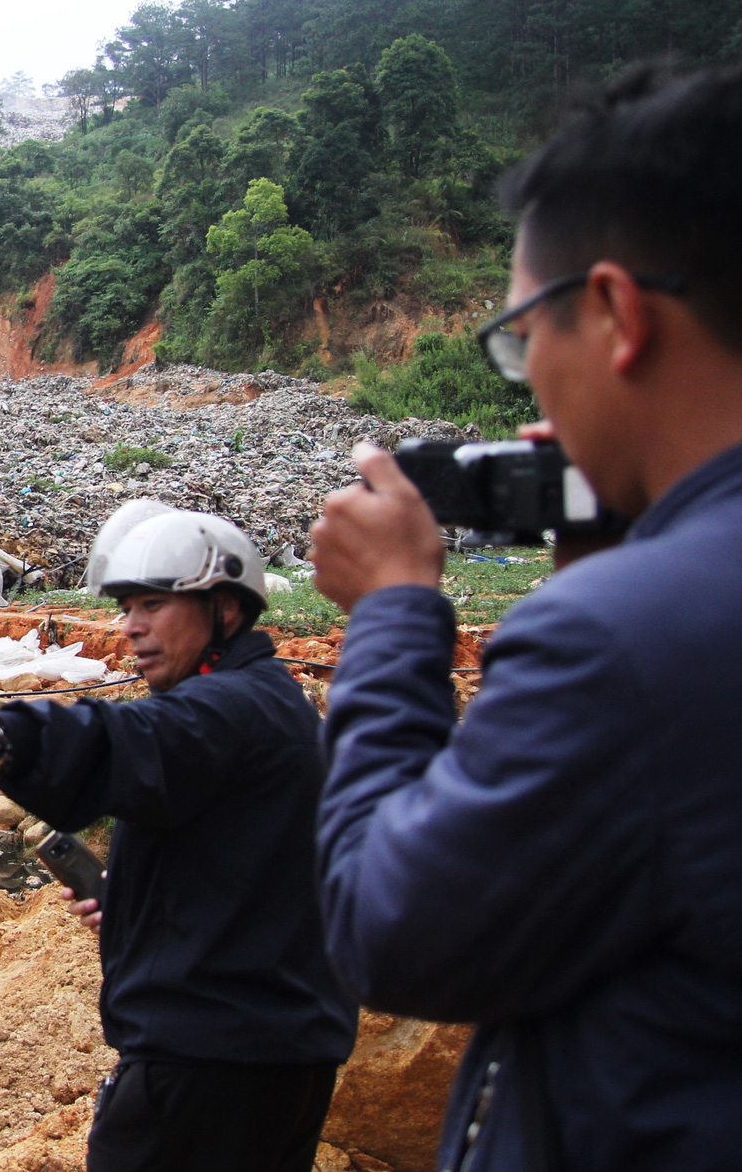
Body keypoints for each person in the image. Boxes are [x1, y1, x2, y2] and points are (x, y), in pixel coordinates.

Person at [308, 62, 742, 1171]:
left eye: (517, 339)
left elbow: (383, 926)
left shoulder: (619, 640)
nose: (529, 381)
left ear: (612, 312)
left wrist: (397, 614)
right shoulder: (650, 607)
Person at [0, 503, 356, 1172]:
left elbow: (126, 739)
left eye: (152, 604)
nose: (131, 627)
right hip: (262, 1058)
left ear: (225, 610)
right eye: (125, 606)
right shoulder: (264, 702)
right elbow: (244, 879)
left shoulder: (230, 708)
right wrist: (137, 905)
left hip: (210, 1073)